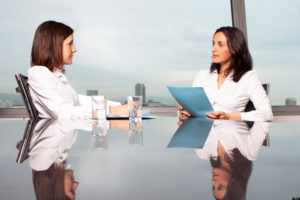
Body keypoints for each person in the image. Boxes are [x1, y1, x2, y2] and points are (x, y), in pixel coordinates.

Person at [28, 20, 128, 119]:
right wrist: (113, 110)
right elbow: (62, 112)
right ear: (53, 46)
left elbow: (79, 101)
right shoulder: (38, 73)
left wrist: (118, 107)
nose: (74, 49)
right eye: (70, 44)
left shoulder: (55, 75)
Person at [178, 26, 273, 122]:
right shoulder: (201, 75)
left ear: (234, 47)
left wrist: (229, 117)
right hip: (202, 133)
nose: (213, 49)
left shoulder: (249, 77)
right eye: (213, 44)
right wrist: (184, 113)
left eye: (220, 44)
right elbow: (193, 109)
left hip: (230, 133)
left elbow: (267, 113)